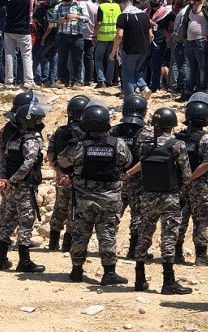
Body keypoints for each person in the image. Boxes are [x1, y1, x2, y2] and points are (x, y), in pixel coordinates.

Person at [57, 104, 132, 286]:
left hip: (83, 199)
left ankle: (76, 271)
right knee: (107, 235)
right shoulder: (118, 144)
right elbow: (128, 161)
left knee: (80, 234)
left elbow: (62, 161)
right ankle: (109, 273)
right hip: (110, 200)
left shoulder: (79, 145)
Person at [125, 107, 192, 295]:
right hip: (169, 197)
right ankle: (168, 281)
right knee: (168, 237)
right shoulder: (177, 145)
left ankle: (139, 279)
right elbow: (187, 175)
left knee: (144, 234)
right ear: (172, 125)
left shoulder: (145, 145)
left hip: (148, 196)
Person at [0, 101, 46, 273]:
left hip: (10, 188)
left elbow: (3, 161)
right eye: (38, 120)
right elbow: (28, 164)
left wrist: (4, 180)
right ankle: (24, 261)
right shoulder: (31, 140)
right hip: (24, 188)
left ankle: (1, 259)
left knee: (7, 222)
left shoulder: (13, 139)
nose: (41, 123)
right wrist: (13, 180)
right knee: (26, 222)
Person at [175, 100, 208, 265]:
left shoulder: (178, 137)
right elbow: (207, 164)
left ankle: (177, 254)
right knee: (201, 221)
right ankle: (201, 256)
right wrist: (191, 178)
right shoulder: (207, 139)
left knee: (179, 219)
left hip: (179, 185)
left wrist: (184, 179)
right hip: (200, 186)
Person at [47, 94, 89, 252]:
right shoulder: (86, 134)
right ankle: (67, 245)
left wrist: (60, 173)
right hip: (78, 179)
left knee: (59, 208)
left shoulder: (59, 131)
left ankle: (53, 243)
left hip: (62, 177)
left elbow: (50, 154)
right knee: (74, 211)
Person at [111, 94, 149, 260]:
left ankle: (108, 249)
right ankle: (133, 251)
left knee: (113, 215)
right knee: (138, 216)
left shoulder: (114, 131)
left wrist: (120, 173)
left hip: (115, 180)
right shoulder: (145, 133)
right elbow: (146, 159)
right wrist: (130, 173)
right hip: (137, 181)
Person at [111, 0, 153, 97]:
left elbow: (119, 35)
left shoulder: (123, 16)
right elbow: (151, 35)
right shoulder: (144, 16)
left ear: (122, 5)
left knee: (127, 75)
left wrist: (113, 51)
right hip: (144, 49)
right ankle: (144, 88)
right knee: (137, 71)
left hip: (130, 49)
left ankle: (130, 98)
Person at [2, 0, 35, 88]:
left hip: (9, 29)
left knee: (9, 55)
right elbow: (33, 8)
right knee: (26, 56)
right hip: (24, 30)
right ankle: (28, 81)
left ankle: (9, 81)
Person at [53, 0, 87, 87]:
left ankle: (77, 80)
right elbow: (52, 23)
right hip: (62, 36)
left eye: (69, 1)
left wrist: (77, 17)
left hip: (77, 36)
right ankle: (62, 80)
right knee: (62, 59)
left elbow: (87, 19)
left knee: (77, 59)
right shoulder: (58, 6)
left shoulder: (80, 5)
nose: (67, 3)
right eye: (65, 1)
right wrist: (60, 21)